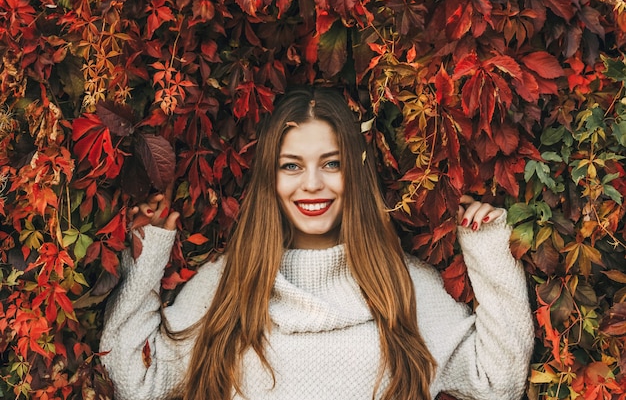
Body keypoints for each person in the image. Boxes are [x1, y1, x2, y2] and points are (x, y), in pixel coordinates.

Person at [100, 87, 534, 400]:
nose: (312, 185)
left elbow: (500, 381)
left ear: (355, 175)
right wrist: (146, 254)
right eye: (292, 165)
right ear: (271, 177)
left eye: (331, 163)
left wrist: (489, 251)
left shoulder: (402, 285)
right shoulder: (228, 286)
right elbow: (133, 379)